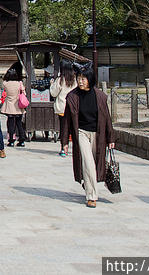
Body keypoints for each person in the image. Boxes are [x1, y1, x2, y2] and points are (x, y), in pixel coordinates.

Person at [62, 63, 115, 208]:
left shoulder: (100, 97)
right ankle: (91, 196)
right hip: (81, 133)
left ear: (90, 79)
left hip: (97, 135)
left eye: (83, 78)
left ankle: (89, 183)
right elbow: (66, 120)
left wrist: (111, 137)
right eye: (79, 78)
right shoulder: (72, 97)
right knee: (88, 162)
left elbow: (107, 118)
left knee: (94, 163)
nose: (80, 81)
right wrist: (65, 142)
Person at [50, 60, 78, 156]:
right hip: (73, 108)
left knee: (64, 128)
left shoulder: (60, 80)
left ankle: (63, 147)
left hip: (62, 107)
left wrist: (51, 84)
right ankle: (76, 148)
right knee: (74, 128)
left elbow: (53, 93)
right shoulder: (75, 80)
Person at [0, 61, 28, 147]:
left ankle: (11, 140)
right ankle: (22, 139)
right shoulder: (19, 83)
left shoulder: (5, 84)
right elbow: (24, 93)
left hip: (9, 105)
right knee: (19, 123)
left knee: (11, 123)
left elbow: (4, 82)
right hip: (18, 105)